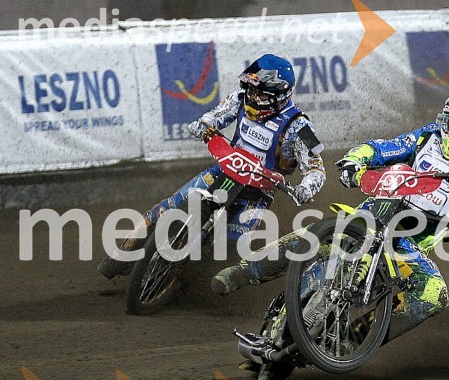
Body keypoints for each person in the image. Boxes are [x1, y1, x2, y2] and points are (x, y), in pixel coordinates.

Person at [212, 87, 449, 328]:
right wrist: (355, 160)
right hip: (376, 215)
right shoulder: (428, 137)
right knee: (321, 237)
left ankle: (360, 335)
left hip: (407, 245)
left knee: (433, 294)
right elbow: (384, 147)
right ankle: (245, 271)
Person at [98, 54, 325, 278]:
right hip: (224, 171)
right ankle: (120, 256)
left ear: (280, 95)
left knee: (231, 248)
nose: (253, 97)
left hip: (257, 192)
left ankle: (194, 281)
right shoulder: (241, 98)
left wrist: (306, 188)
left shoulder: (299, 127)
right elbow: (216, 115)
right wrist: (203, 124)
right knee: (164, 209)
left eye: (261, 94)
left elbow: (316, 168)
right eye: (251, 89)